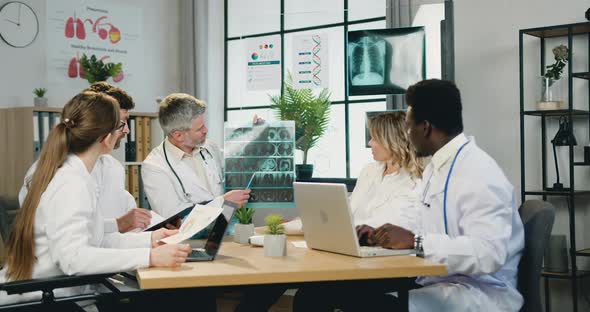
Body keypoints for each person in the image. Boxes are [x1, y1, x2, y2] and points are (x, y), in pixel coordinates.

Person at [294, 79, 525, 311]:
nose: (406, 134)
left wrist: (415, 241)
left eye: (408, 126)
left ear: (425, 127)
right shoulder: (438, 167)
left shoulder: (478, 173)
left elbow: (488, 253)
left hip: (476, 293)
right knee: (314, 294)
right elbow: (426, 224)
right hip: (433, 280)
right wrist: (378, 235)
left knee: (364, 304)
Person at [0, 91, 190, 305]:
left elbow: (97, 240)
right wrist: (150, 257)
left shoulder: (75, 174)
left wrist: (150, 241)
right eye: (120, 126)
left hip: (52, 294)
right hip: (43, 300)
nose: (125, 131)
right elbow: (74, 259)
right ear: (106, 137)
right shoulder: (72, 183)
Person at [19, 82, 154, 233]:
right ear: (99, 124)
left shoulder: (113, 167)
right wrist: (119, 226)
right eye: (121, 123)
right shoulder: (51, 172)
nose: (127, 130)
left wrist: (153, 233)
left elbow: (128, 222)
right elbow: (71, 238)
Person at [142, 93, 250, 218]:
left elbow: (237, 164)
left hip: (224, 229)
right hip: (188, 236)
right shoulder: (154, 166)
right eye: (200, 129)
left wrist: (255, 133)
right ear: (178, 135)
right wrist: (222, 202)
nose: (206, 130)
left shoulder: (209, 147)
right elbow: (172, 215)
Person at [351, 111, 423, 235]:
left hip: (383, 250)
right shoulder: (369, 170)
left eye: (374, 138)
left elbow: (385, 226)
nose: (370, 143)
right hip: (351, 241)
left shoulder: (414, 183)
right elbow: (350, 209)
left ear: (392, 141)